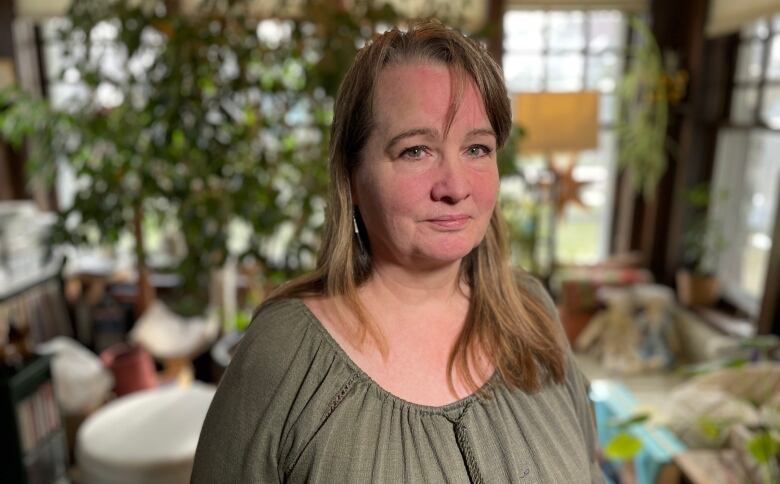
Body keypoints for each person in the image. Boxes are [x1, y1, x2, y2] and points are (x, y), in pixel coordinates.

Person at [192, 20, 605, 483]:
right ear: (352, 175)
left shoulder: (531, 312)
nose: (455, 187)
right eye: (416, 151)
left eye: (477, 149)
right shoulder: (283, 355)